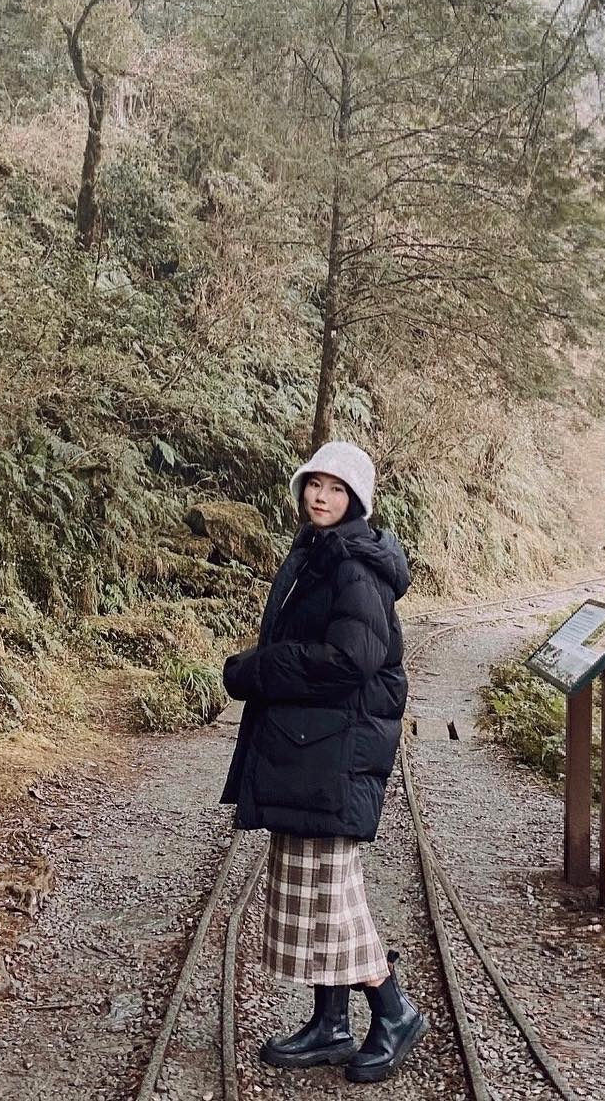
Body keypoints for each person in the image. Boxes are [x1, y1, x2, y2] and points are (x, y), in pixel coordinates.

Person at [220, 440, 427, 1084]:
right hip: (313, 744)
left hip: (335, 749)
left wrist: (260, 669)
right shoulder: (319, 549)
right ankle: (330, 1024)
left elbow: (350, 660)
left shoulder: (354, 566)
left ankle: (393, 1012)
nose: (321, 496)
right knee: (309, 887)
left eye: (337, 489)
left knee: (333, 895)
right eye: (315, 484)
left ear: (357, 500)